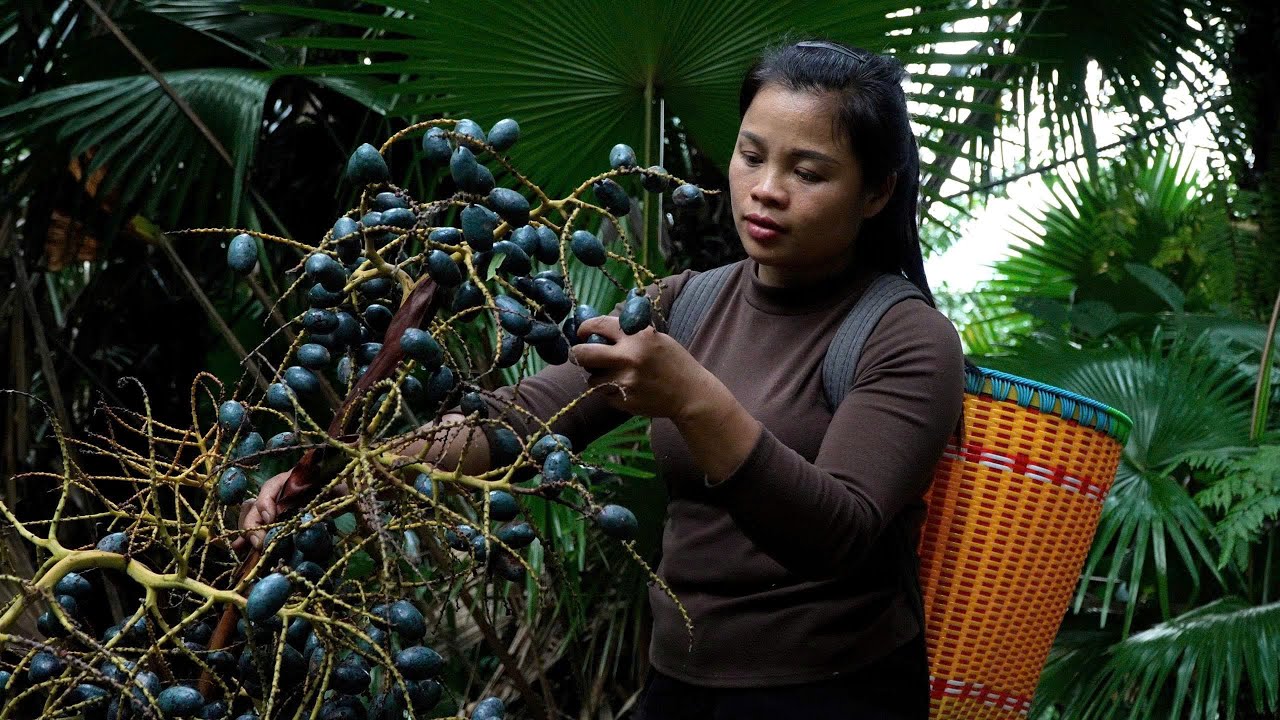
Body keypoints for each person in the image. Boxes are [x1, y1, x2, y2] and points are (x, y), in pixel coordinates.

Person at [242, 38, 965, 720]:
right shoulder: (686, 303)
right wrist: (346, 473)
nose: (765, 189)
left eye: (807, 173)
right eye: (751, 156)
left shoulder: (905, 337)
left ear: (877, 191)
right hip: (678, 685)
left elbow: (839, 535)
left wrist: (694, 399)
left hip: (836, 693)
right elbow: (522, 417)